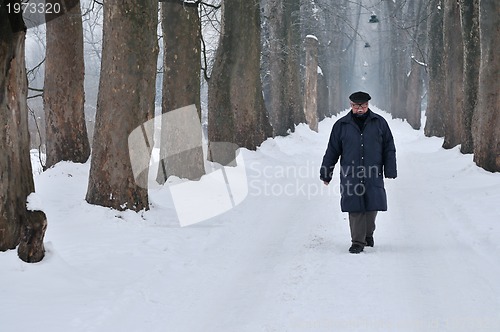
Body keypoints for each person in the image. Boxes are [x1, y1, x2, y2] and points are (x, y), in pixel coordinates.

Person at [320, 91, 397, 254]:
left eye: (363, 106)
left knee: (372, 205)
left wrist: (390, 169)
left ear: (368, 105)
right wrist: (326, 173)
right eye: (356, 106)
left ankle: (368, 235)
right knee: (354, 207)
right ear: (351, 105)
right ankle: (357, 241)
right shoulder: (341, 125)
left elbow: (389, 147)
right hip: (351, 173)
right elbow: (332, 151)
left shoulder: (380, 123)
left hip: (373, 171)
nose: (360, 109)